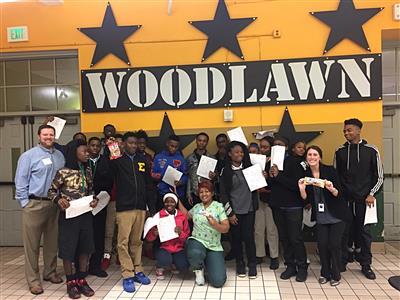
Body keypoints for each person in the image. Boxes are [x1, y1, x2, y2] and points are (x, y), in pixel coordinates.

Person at [14, 124, 65, 295]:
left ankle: (50, 273)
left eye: (51, 134)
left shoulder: (59, 156)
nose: (48, 137)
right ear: (39, 136)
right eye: (45, 134)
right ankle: (33, 281)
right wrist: (24, 203)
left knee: (52, 243)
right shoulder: (28, 156)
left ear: (54, 136)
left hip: (54, 205)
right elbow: (20, 180)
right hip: (34, 204)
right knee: (32, 245)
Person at [48, 139, 98, 299]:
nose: (87, 153)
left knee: (85, 248)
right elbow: (51, 191)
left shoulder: (88, 170)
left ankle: (81, 279)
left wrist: (95, 199)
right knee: (68, 250)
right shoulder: (63, 172)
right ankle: (70, 282)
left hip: (85, 215)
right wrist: (58, 200)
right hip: (69, 216)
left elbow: (92, 190)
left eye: (87, 151)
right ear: (74, 153)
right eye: (84, 151)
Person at [334, 118, 383, 279]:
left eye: (349, 130)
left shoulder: (371, 150)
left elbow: (379, 177)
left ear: (358, 130)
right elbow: (336, 176)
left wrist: (371, 194)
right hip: (345, 200)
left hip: (365, 200)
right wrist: (339, 196)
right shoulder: (339, 151)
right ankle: (342, 260)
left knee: (364, 234)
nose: (346, 133)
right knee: (343, 232)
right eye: (344, 131)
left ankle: (366, 264)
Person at [110, 131, 156, 293]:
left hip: (140, 207)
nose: (133, 146)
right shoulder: (116, 161)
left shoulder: (142, 160)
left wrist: (150, 207)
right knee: (123, 242)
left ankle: (138, 270)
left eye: (135, 143)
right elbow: (107, 173)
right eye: (130, 143)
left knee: (137, 241)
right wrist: (112, 149)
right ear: (124, 144)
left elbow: (149, 185)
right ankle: (127, 274)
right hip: (124, 208)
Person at [298, 146, 351, 286]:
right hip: (321, 217)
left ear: (319, 157)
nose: (312, 157)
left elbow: (339, 194)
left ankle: (336, 274)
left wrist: (332, 188)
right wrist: (302, 190)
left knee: (334, 245)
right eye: (309, 155)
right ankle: (324, 273)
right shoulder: (306, 176)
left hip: (337, 215)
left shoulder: (329, 171)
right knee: (322, 245)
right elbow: (306, 199)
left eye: (315, 154)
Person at [268, 136, 308, 282]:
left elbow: (297, 185)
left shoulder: (296, 161)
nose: (277, 147)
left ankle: (302, 267)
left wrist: (278, 176)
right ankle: (290, 265)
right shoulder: (271, 163)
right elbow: (270, 186)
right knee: (284, 238)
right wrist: (269, 176)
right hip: (277, 205)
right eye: (275, 145)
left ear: (286, 147)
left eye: (281, 145)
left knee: (295, 238)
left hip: (293, 206)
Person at [220, 141, 259, 279]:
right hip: (234, 211)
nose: (239, 154)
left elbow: (256, 188)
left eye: (242, 152)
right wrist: (230, 213)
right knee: (236, 239)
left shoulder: (251, 168)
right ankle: (240, 263)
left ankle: (252, 264)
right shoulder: (225, 171)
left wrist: (262, 177)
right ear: (230, 154)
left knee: (249, 238)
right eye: (236, 152)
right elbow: (223, 195)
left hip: (249, 209)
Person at [181, 181, 230, 287]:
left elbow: (226, 228)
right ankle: (198, 270)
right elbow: (186, 215)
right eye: (201, 192)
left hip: (214, 246)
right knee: (195, 252)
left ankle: (208, 263)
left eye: (207, 191)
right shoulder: (197, 207)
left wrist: (215, 224)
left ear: (212, 193)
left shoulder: (218, 207)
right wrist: (177, 200)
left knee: (218, 282)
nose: (204, 194)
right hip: (197, 241)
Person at [86, 137, 114, 277]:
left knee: (99, 235)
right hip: (84, 204)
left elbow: (110, 180)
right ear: (88, 146)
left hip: (101, 203)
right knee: (84, 235)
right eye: (92, 145)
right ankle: (82, 267)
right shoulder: (82, 161)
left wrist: (101, 196)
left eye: (97, 146)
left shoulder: (106, 161)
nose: (95, 148)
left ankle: (95, 266)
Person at [145, 193, 190, 279]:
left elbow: (187, 236)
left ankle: (174, 263)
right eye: (166, 202)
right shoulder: (158, 216)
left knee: (184, 265)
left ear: (176, 203)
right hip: (163, 247)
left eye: (172, 202)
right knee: (165, 260)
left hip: (178, 248)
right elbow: (148, 238)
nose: (169, 204)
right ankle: (160, 266)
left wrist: (180, 233)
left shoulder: (181, 216)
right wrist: (154, 233)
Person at [255, 136, 280, 270]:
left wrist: (268, 178)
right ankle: (259, 254)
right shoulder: (256, 160)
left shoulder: (276, 162)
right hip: (258, 197)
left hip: (271, 199)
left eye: (265, 147)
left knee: (271, 228)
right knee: (258, 228)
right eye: (261, 147)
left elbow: (278, 181)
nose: (262, 149)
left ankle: (274, 256)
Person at [102, 133, 124, 269]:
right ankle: (107, 255)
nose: (119, 145)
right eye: (116, 143)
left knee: (121, 231)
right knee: (109, 231)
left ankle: (119, 255)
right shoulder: (107, 160)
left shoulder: (127, 160)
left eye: (121, 143)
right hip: (111, 200)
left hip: (124, 201)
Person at [152, 135, 188, 208]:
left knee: (177, 217)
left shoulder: (181, 159)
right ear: (167, 143)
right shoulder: (158, 157)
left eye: (176, 147)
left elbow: (186, 176)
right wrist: (157, 177)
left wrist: (181, 182)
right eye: (171, 146)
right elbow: (153, 174)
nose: (173, 148)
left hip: (177, 194)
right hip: (162, 193)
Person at [186, 132, 215, 207]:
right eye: (200, 140)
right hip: (195, 192)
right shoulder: (189, 158)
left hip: (208, 192)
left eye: (204, 141)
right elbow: (188, 177)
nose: (201, 143)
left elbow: (216, 178)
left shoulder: (212, 158)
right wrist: (188, 194)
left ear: (207, 142)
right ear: (196, 141)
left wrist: (214, 176)